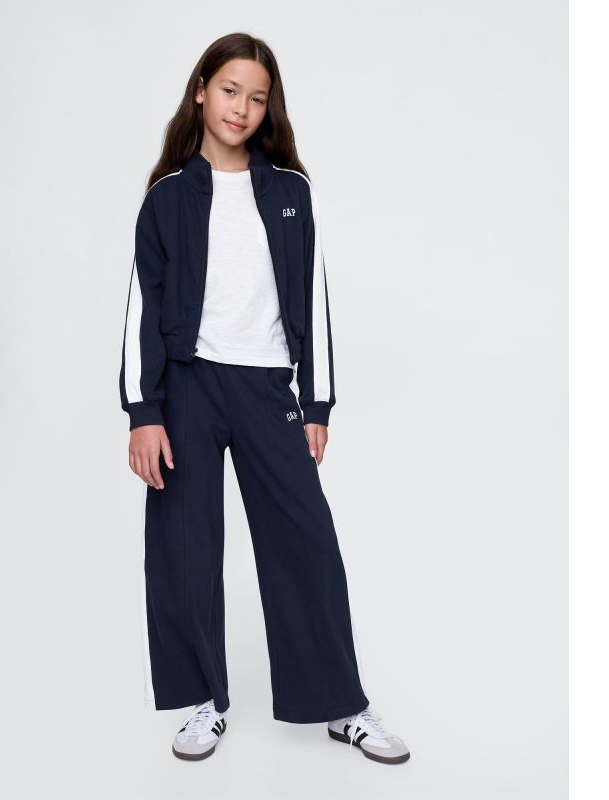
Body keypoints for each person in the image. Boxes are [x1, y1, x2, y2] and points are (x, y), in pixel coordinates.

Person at [120, 32, 410, 766]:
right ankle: (202, 700)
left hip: (266, 386)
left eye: (256, 97)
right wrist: (143, 413)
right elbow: (140, 310)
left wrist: (317, 404)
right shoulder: (166, 198)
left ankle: (340, 704)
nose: (241, 107)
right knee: (184, 548)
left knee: (306, 542)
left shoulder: (289, 193)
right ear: (200, 91)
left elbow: (313, 300)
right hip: (187, 386)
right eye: (229, 90)